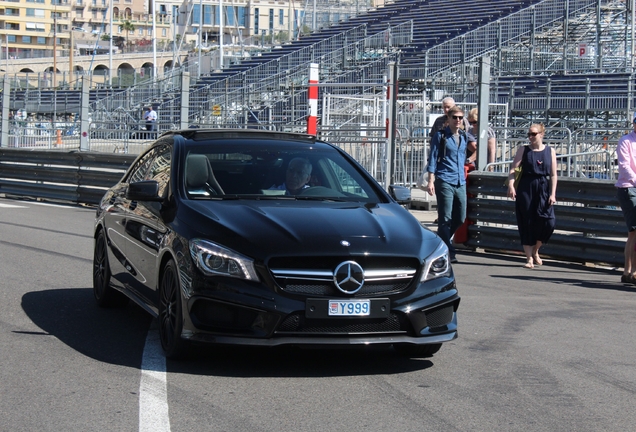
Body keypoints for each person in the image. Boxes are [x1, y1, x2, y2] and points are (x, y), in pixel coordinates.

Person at [507, 123, 557, 269]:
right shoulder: (524, 150)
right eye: (529, 134)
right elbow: (514, 170)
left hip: (543, 186)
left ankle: (536, 249)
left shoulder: (550, 151)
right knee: (526, 221)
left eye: (533, 134)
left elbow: (553, 174)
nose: (530, 137)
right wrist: (511, 185)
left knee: (549, 222)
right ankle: (529, 258)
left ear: (541, 134)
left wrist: (553, 193)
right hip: (526, 186)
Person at [426, 106, 470, 263]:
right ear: (449, 119)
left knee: (461, 216)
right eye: (455, 117)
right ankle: (449, 251)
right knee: (445, 218)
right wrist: (431, 180)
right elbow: (433, 157)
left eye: (460, 118)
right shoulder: (441, 136)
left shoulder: (464, 136)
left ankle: (440, 240)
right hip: (444, 179)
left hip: (460, 181)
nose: (458, 120)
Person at [615, 113, 636, 284]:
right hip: (629, 188)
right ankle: (630, 270)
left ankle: (629, 271)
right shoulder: (626, 141)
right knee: (634, 231)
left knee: (633, 233)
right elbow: (624, 166)